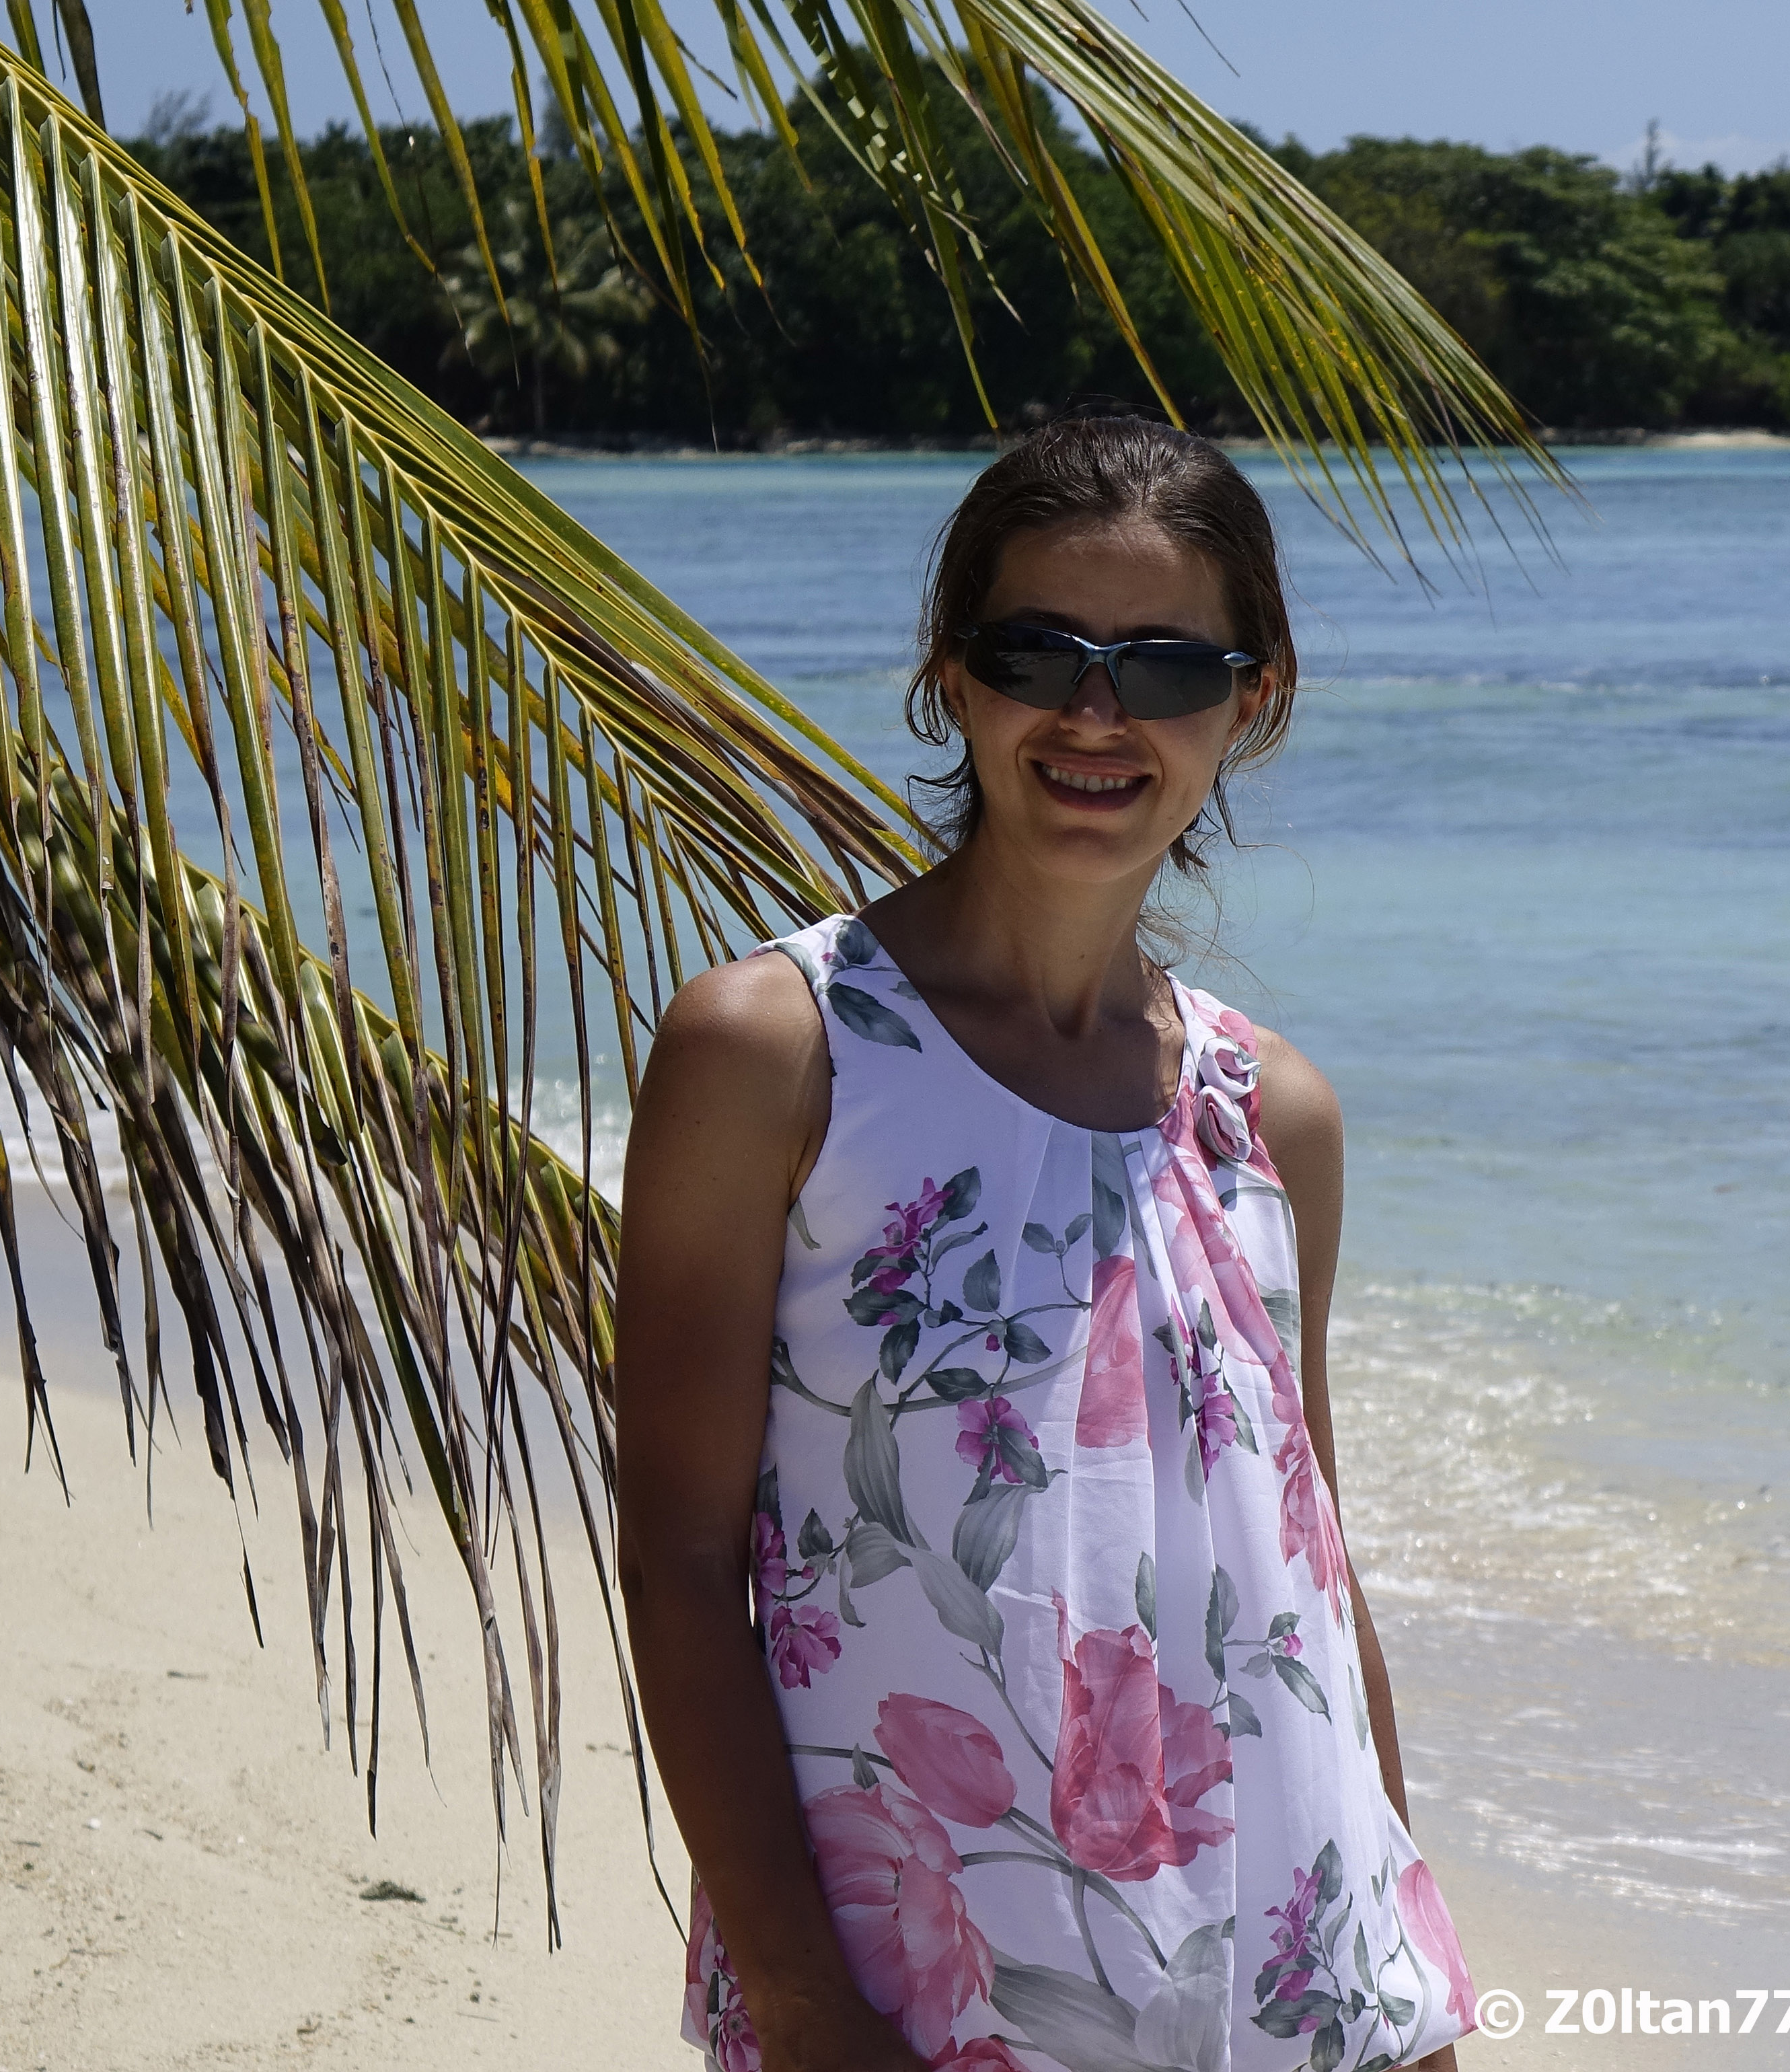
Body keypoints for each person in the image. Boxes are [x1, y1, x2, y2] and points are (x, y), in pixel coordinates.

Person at [615, 416, 1472, 2072]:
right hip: (926, 1988)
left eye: (1165, 667)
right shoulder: (780, 1051)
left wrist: (1399, 1957)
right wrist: (804, 2003)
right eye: (1038, 653)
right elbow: (676, 1558)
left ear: (1254, 698)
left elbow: (1308, 1569)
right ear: (952, 675)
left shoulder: (1271, 1115)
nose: (1096, 714)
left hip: (1293, 1982)